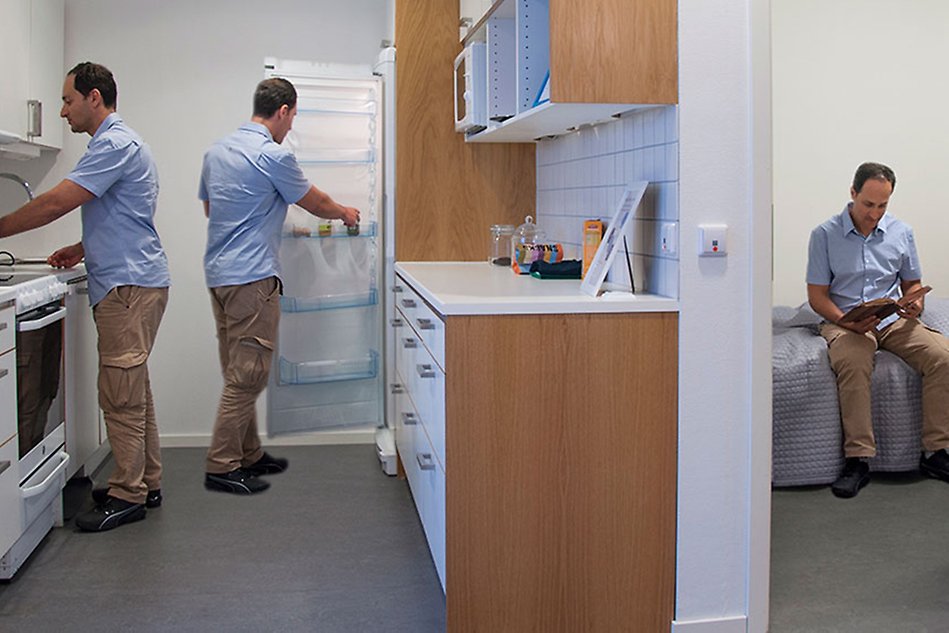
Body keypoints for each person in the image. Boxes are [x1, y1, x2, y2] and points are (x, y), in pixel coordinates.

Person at [0, 62, 170, 530]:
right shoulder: (119, 143)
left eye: (68, 100)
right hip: (134, 279)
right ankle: (146, 482)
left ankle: (128, 493)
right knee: (133, 390)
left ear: (94, 98)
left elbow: (59, 201)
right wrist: (82, 246)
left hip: (127, 286)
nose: (62, 111)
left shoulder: (113, 143)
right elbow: (126, 213)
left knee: (120, 394)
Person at [199, 78, 359, 495]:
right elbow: (313, 201)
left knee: (238, 369)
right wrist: (346, 213)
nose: (290, 126)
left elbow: (210, 208)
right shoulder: (272, 155)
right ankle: (221, 463)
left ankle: (248, 453)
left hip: (219, 275)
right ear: (284, 111)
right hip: (252, 277)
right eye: (292, 117)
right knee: (248, 375)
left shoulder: (216, 152)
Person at [807, 161, 949, 498]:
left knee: (943, 357)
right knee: (854, 364)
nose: (874, 213)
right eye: (868, 204)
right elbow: (817, 296)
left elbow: (911, 282)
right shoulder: (824, 235)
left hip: (891, 318)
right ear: (853, 193)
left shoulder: (902, 232)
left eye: (883, 205)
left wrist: (914, 303)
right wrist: (845, 321)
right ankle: (858, 460)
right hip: (845, 319)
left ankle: (936, 452)